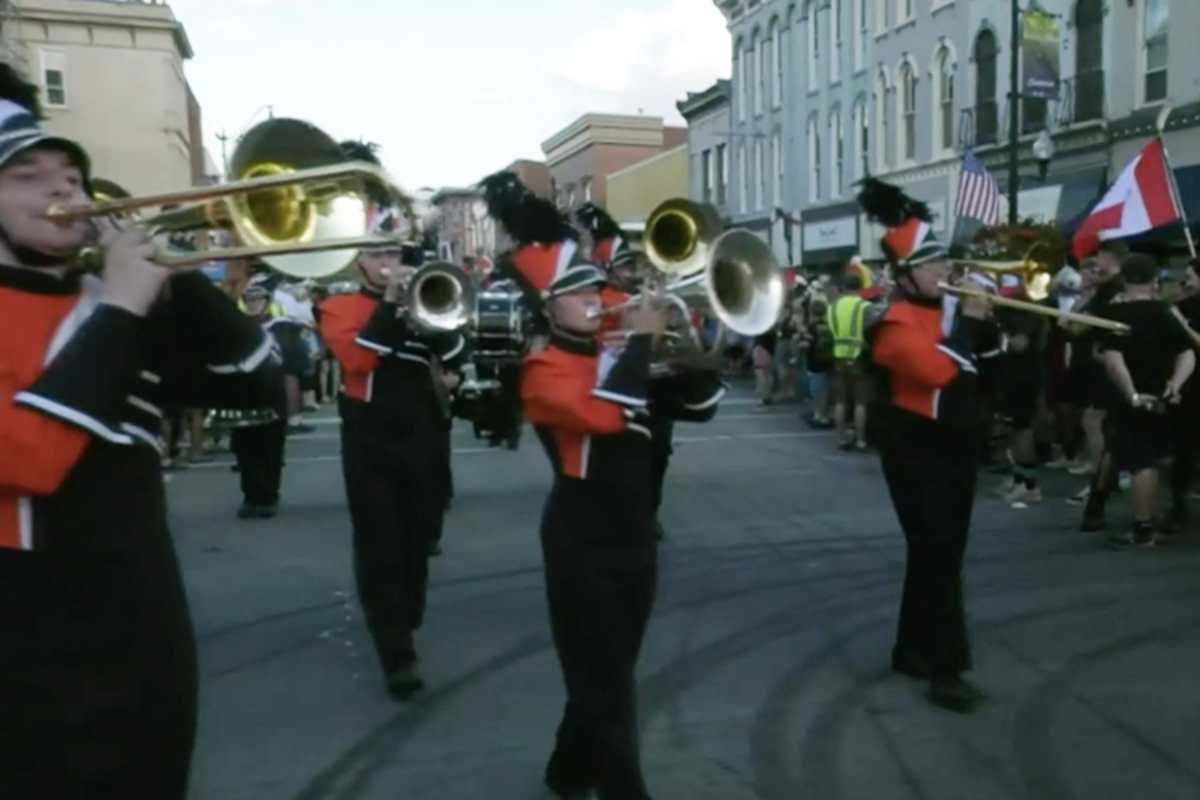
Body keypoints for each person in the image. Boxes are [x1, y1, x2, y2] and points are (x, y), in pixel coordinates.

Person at [0, 66, 280, 796]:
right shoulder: (113, 309)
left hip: (145, 617)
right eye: (27, 176)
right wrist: (123, 304)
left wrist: (172, 270)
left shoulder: (115, 297)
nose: (61, 190)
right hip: (26, 631)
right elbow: (28, 457)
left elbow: (257, 382)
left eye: (70, 174)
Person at [489, 173, 724, 799]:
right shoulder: (542, 370)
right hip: (580, 536)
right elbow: (601, 414)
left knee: (609, 668)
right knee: (606, 680)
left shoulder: (622, 352)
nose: (596, 297)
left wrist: (698, 343)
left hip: (633, 531)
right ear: (550, 308)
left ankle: (568, 767)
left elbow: (702, 404)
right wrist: (642, 342)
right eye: (578, 291)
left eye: (597, 285)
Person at [318, 198, 466, 699]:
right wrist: (391, 307)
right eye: (378, 256)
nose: (388, 264)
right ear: (360, 262)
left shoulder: (418, 299)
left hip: (423, 429)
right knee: (380, 539)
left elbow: (456, 350)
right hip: (369, 434)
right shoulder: (338, 307)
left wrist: (436, 330)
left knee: (420, 534)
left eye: (394, 255)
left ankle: (403, 616)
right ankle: (396, 651)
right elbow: (359, 361)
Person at [859, 178, 991, 714]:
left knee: (939, 551)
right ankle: (946, 669)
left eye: (944, 264)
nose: (944, 273)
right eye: (933, 265)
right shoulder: (893, 324)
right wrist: (969, 328)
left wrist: (989, 331)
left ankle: (910, 647)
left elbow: (981, 371)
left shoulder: (943, 312)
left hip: (955, 442)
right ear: (906, 273)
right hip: (917, 447)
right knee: (938, 551)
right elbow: (938, 371)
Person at [1095, 253, 1194, 548]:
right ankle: (1152, 516)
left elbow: (1114, 361)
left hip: (1136, 399)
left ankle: (1142, 528)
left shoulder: (1116, 316)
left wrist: (1132, 394)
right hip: (1162, 396)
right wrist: (1175, 384)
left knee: (1142, 461)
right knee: (1155, 455)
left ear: (1124, 279)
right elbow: (1187, 353)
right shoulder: (1164, 311)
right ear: (1154, 280)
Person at [221, 273, 289, 519]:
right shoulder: (237, 327)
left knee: (269, 449)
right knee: (244, 449)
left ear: (267, 302)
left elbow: (290, 362)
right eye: (249, 300)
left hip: (272, 395)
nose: (253, 304)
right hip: (243, 396)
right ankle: (250, 496)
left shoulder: (281, 327)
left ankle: (268, 496)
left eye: (258, 300)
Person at [828, 271, 870, 450]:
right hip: (859, 357)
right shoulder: (865, 306)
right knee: (860, 402)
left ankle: (840, 439)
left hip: (838, 356)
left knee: (840, 401)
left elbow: (831, 331)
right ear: (860, 287)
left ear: (843, 287)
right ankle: (860, 440)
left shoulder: (832, 307)